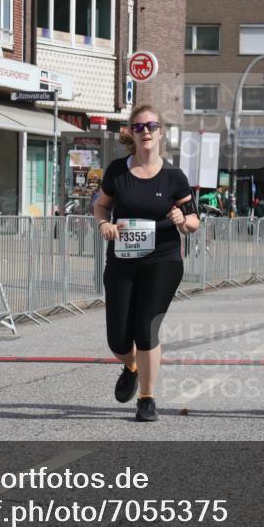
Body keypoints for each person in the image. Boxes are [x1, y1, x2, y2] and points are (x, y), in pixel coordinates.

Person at [93, 105, 199, 422]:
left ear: (161, 132)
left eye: (152, 126)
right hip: (123, 261)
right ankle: (131, 365)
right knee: (118, 339)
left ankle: (147, 398)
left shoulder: (174, 177)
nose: (146, 132)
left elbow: (194, 220)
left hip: (162, 259)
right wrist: (103, 225)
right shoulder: (116, 171)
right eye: (139, 127)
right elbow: (101, 206)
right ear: (131, 133)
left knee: (146, 327)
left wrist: (183, 219)